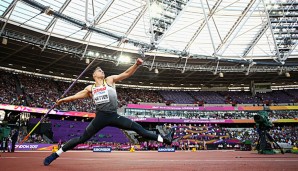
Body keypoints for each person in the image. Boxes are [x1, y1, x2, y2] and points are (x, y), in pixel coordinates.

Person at [44, 58, 174, 166]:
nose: (102, 71)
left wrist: (136, 64)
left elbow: (126, 74)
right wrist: (61, 101)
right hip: (100, 118)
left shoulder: (110, 80)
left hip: (114, 116)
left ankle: (165, 139)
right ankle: (55, 154)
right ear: (94, 75)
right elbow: (74, 97)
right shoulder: (91, 88)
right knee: (81, 138)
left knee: (139, 129)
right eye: (99, 70)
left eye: (102, 70)